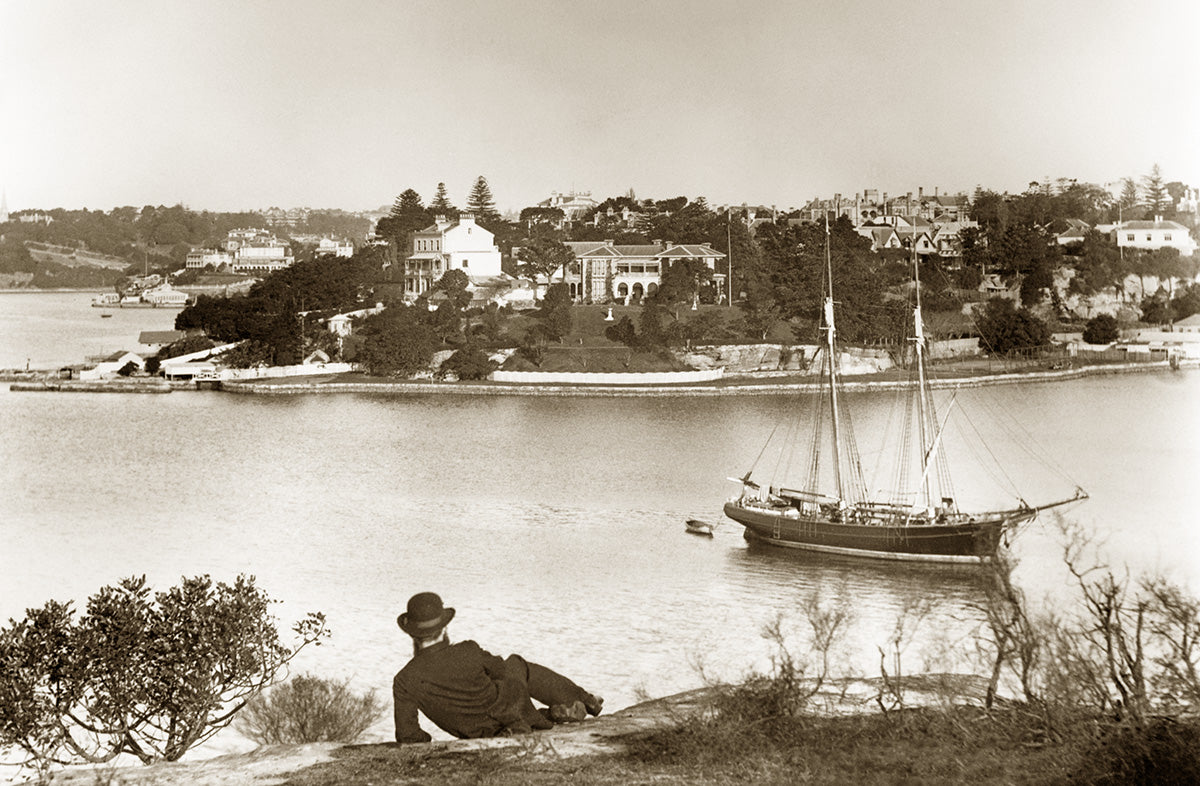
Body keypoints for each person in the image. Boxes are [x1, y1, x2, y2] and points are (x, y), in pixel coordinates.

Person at [392, 592, 604, 744]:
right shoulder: (468, 650)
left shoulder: (404, 680)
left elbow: (407, 735)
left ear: (412, 634)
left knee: (506, 690)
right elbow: (500, 670)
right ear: (444, 627)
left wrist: (426, 740)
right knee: (516, 664)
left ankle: (547, 715)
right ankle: (583, 700)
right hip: (509, 708)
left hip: (475, 732)